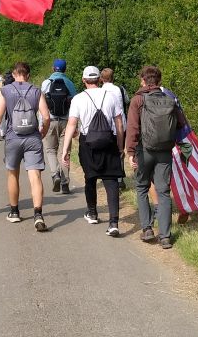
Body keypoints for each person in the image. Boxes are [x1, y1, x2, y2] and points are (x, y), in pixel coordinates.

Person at [125, 65, 189, 250]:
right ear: (159, 81)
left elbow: (133, 128)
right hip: (165, 151)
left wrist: (130, 152)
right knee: (163, 191)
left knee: (142, 187)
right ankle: (166, 237)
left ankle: (147, 229)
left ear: (143, 81)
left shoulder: (138, 100)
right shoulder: (169, 98)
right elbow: (181, 122)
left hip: (144, 150)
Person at [0, 60, 51, 231]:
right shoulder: (37, 91)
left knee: (12, 175)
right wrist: (42, 132)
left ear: (14, 74)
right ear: (28, 74)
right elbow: (46, 116)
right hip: (33, 138)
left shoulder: (5, 91)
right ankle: (38, 214)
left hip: (12, 137)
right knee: (35, 176)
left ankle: (14, 212)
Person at [61, 65, 124, 235]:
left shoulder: (78, 99)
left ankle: (92, 212)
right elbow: (119, 124)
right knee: (111, 181)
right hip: (108, 141)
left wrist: (65, 150)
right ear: (99, 79)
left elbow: (72, 124)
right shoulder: (111, 97)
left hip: (87, 142)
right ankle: (113, 223)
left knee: (90, 178)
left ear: (83, 80)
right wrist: (120, 145)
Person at [40, 59, 77, 194]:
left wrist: (41, 123)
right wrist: (75, 125)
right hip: (66, 122)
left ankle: (55, 174)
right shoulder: (70, 83)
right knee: (64, 151)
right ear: (65, 69)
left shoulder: (46, 83)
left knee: (50, 150)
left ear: (52, 68)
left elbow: (41, 104)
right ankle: (65, 182)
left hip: (50, 121)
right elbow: (75, 103)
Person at [100, 67, 130, 190]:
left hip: (106, 126)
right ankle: (120, 178)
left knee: (108, 152)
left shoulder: (100, 91)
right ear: (113, 78)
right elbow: (127, 101)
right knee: (120, 150)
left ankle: (110, 176)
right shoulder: (120, 89)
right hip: (121, 124)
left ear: (101, 79)